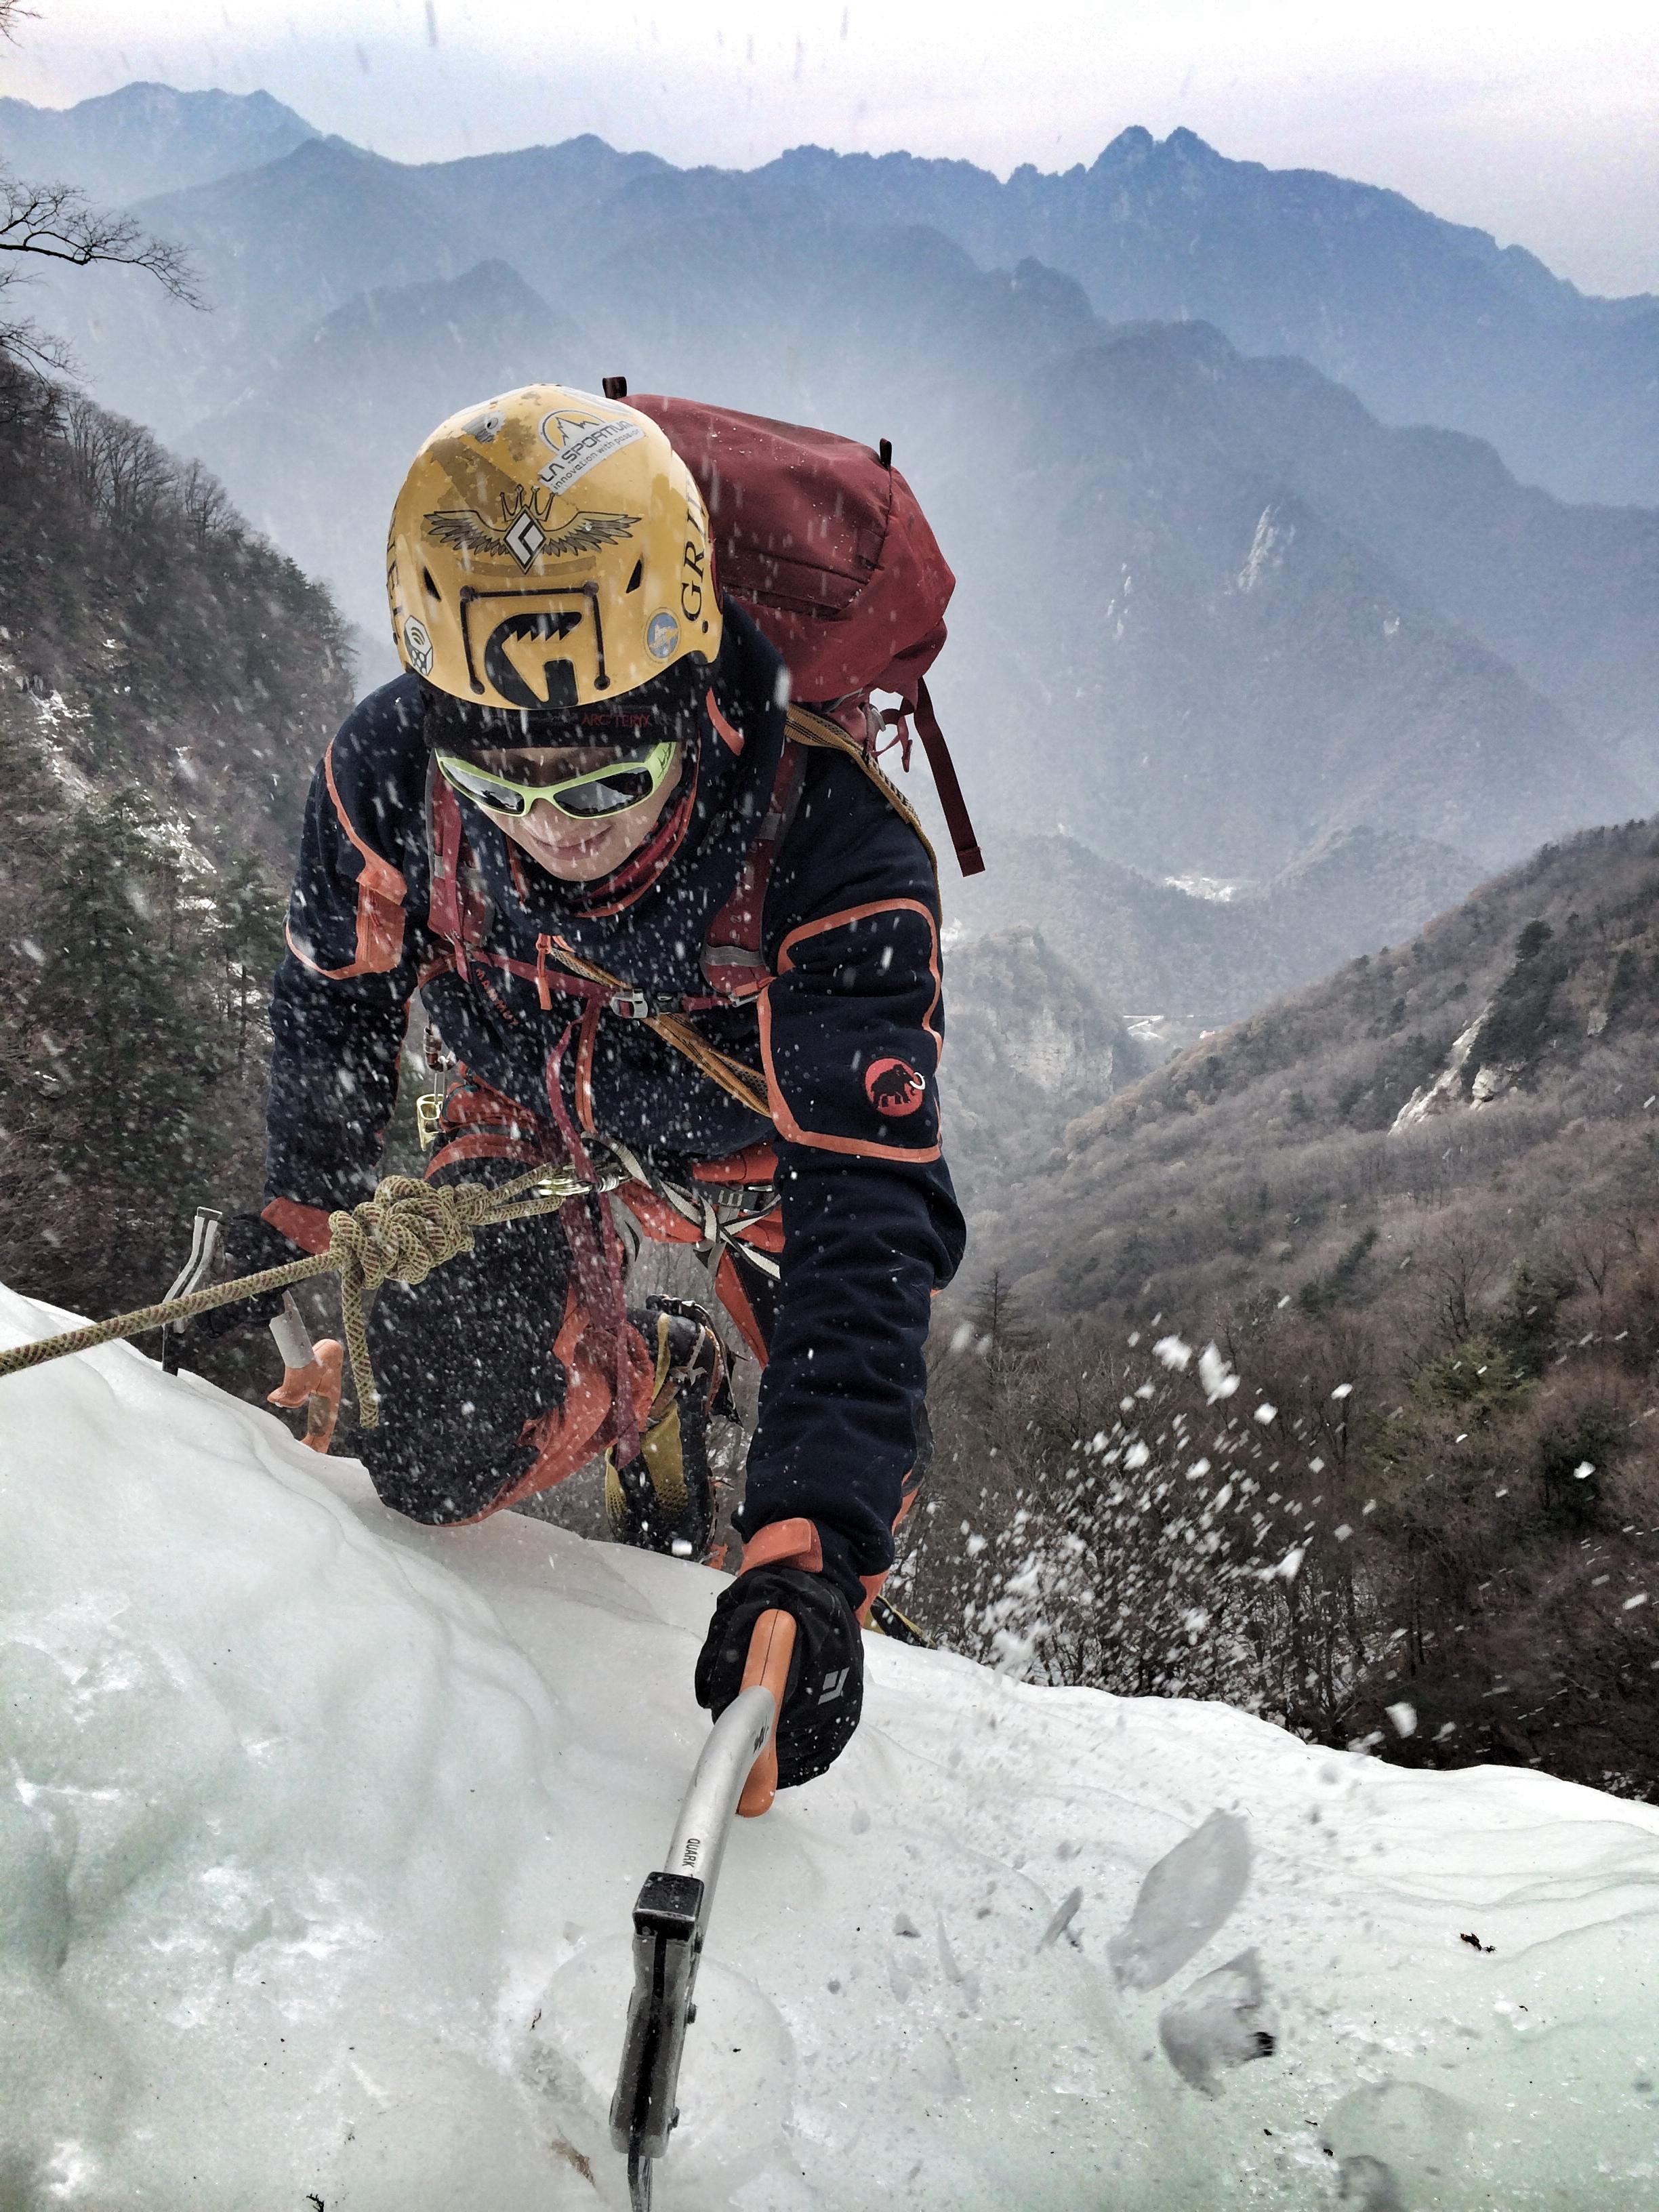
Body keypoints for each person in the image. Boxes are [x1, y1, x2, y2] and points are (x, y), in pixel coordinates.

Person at [199, 384, 964, 1786]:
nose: (553, 831)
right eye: (505, 792)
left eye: (608, 785)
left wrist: (811, 1547)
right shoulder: (387, 775)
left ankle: (804, 1555)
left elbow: (865, 1212)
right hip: (529, 1116)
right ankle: (635, 1380)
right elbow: (337, 995)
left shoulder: (830, 843)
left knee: (846, 1477)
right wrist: (300, 1212)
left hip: (758, 1164)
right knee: (433, 1452)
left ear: (693, 701)